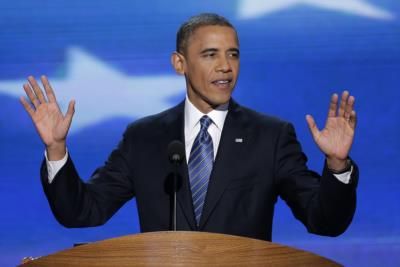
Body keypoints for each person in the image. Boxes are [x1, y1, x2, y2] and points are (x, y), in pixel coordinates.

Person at [20, 13, 358, 241]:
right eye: (210, 54)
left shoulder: (270, 136)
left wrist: (337, 166)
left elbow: (324, 221)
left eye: (233, 54)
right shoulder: (144, 137)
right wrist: (56, 149)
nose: (225, 66)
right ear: (179, 63)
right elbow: (82, 211)